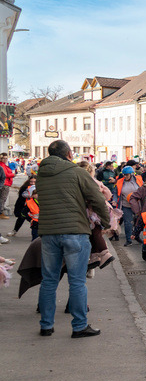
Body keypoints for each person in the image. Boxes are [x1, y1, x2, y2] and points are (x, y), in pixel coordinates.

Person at [35, 140, 109, 338]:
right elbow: (97, 198)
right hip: (75, 231)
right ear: (69, 154)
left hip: (49, 232)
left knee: (49, 281)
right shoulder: (77, 172)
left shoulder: (41, 174)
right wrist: (106, 221)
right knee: (76, 282)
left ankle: (46, 325)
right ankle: (79, 326)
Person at [115, 166, 143, 245]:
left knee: (139, 222)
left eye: (127, 175)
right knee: (128, 222)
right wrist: (114, 200)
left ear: (131, 174)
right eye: (124, 174)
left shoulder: (139, 180)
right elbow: (115, 193)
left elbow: (143, 190)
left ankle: (136, 236)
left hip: (137, 205)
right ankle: (128, 239)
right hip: (125, 205)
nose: (125, 176)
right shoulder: (120, 181)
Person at [0, 152, 13, 218]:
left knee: (2, 198)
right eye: (3, 158)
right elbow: (5, 175)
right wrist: (13, 175)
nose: (5, 160)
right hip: (5, 184)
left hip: (5, 183)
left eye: (6, 158)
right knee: (3, 198)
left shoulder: (3, 165)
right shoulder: (2, 165)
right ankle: (1, 213)